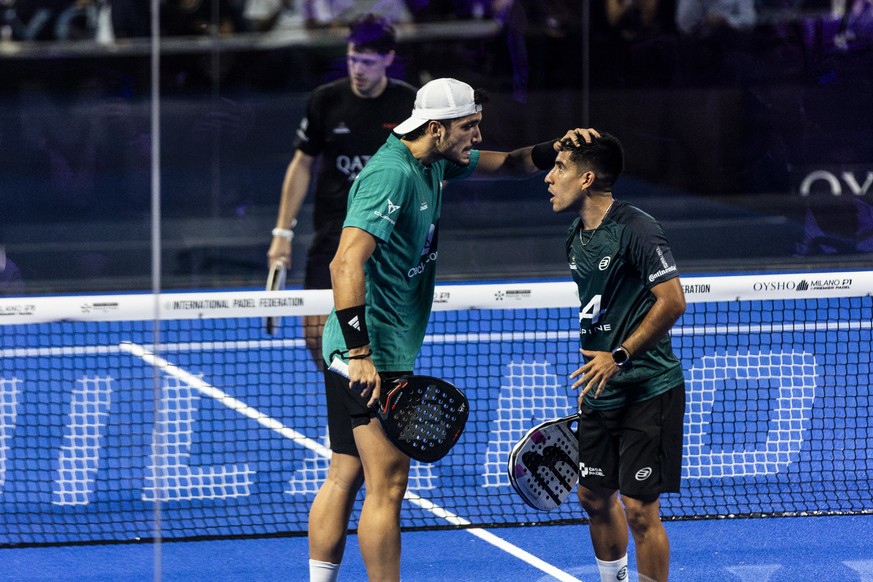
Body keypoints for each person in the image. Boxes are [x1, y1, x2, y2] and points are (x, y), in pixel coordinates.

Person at [308, 75, 590, 582]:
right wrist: (360, 354)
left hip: (367, 347)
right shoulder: (390, 176)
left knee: (345, 473)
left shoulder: (435, 161)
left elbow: (510, 163)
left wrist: (557, 147)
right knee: (389, 485)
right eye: (469, 127)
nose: (477, 136)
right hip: (371, 352)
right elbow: (344, 265)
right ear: (436, 128)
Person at [543, 130, 687, 582]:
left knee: (641, 511)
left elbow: (673, 301)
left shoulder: (636, 229)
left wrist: (619, 356)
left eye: (559, 168)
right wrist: (596, 378)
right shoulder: (575, 235)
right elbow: (598, 315)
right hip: (602, 390)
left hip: (648, 389)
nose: (549, 178)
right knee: (592, 495)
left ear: (586, 179)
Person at [267, 13, 416, 369]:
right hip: (334, 231)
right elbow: (301, 164)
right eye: (352, 58)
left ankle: (368, 415)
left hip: (388, 235)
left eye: (366, 60)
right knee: (316, 336)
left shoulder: (408, 104)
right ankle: (344, 407)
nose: (357, 69)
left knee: (383, 338)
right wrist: (282, 233)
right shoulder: (326, 101)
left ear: (388, 58)